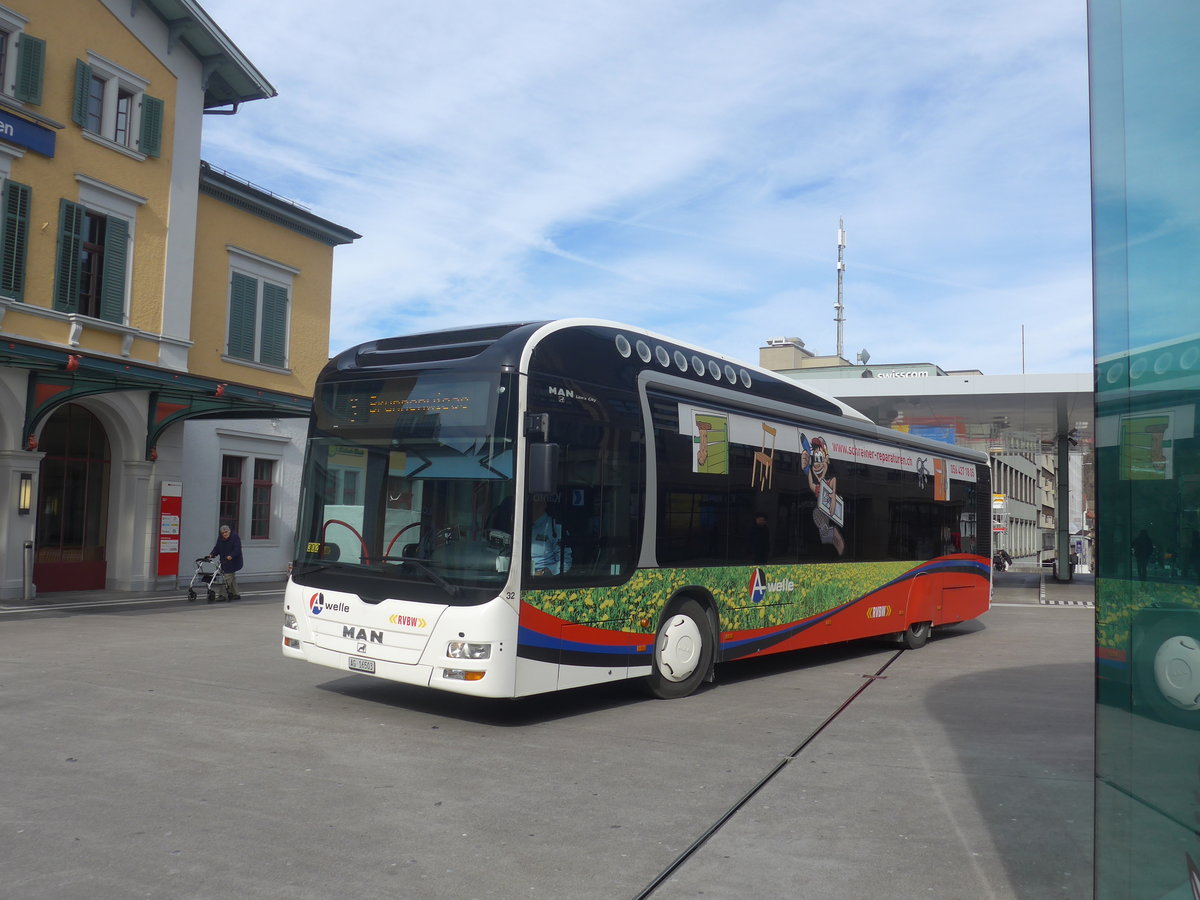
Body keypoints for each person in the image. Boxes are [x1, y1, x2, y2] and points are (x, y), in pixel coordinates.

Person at [529, 498, 571, 575]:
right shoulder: (521, 526)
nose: (531, 505)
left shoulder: (555, 528)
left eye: (534, 502)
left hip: (544, 580)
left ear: (544, 504)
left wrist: (544, 573)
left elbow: (565, 563)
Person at [208, 524, 244, 600]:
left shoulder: (235, 537)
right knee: (231, 577)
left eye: (226, 532)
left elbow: (237, 549)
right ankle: (236, 594)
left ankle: (222, 595)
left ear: (229, 531)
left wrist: (231, 555)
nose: (225, 534)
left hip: (233, 561)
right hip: (224, 560)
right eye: (223, 533)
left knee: (227, 577)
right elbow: (217, 548)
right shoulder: (220, 538)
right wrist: (212, 554)